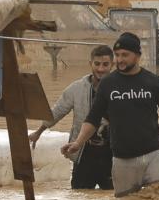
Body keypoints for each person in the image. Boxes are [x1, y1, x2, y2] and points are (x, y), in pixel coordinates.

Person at [62, 32, 159, 196]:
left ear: (137, 55)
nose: (120, 59)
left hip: (153, 156)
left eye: (125, 55)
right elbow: (93, 119)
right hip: (122, 161)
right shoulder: (108, 84)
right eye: (117, 55)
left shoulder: (153, 82)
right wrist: (78, 143)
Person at [29, 45, 115, 190]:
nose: (100, 69)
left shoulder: (120, 89)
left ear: (112, 65)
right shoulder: (77, 88)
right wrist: (39, 132)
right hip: (83, 152)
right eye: (97, 64)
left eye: (105, 64)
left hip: (112, 153)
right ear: (90, 64)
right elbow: (57, 112)